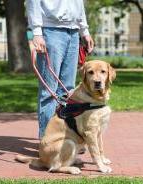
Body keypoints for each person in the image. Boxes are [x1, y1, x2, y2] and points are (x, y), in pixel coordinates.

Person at [26, 0, 94, 138]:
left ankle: (65, 142)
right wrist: (37, 33)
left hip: (73, 32)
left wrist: (84, 31)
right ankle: (48, 142)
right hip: (51, 31)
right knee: (49, 92)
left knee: (67, 91)